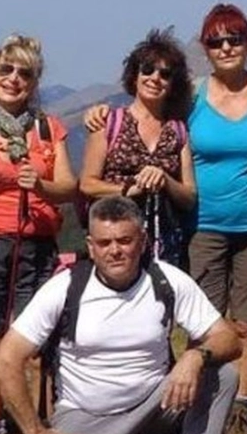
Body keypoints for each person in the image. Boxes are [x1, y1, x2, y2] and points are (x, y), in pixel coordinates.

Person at [0, 196, 242, 434]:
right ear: (90, 245)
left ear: (142, 241)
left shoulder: (166, 279)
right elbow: (5, 360)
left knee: (222, 376)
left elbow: (229, 338)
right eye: (105, 242)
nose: (115, 250)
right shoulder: (64, 288)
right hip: (87, 412)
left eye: (125, 240)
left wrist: (195, 357)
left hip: (156, 402)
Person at [0, 34, 76, 434]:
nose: (14, 80)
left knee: (32, 349)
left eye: (25, 73)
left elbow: (68, 189)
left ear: (36, 82)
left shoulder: (47, 129)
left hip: (34, 246)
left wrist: (38, 184)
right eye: (6, 71)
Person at [186, 4, 247, 434]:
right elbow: (146, 116)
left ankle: (240, 412)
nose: (226, 47)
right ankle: (203, 407)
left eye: (234, 38)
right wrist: (98, 119)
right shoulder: (192, 95)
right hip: (202, 224)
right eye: (216, 41)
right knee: (204, 323)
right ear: (205, 48)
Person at [78, 28, 196, 268]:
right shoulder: (109, 123)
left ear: (173, 84)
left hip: (164, 244)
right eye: (147, 69)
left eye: (165, 74)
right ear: (134, 75)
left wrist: (165, 180)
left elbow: (189, 196)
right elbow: (87, 184)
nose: (155, 78)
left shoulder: (178, 130)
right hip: (115, 241)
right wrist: (128, 189)